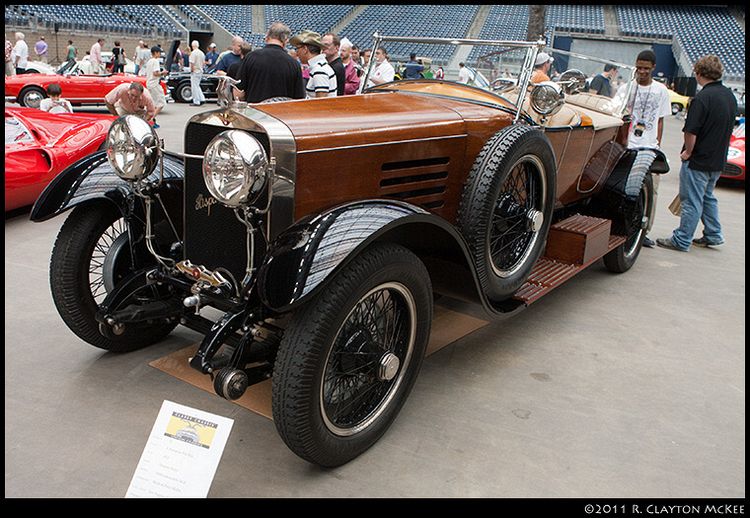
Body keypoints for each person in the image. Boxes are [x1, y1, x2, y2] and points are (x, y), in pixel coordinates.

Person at [656, 55, 737, 252]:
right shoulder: (729, 96)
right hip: (717, 159)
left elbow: (691, 130)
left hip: (698, 159)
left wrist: (688, 152)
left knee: (691, 200)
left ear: (699, 74)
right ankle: (713, 233)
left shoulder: (701, 98)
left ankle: (682, 239)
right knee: (707, 197)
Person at [613, 49, 672, 249]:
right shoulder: (626, 88)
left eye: (646, 68)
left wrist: (657, 144)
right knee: (624, 188)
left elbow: (661, 120)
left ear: (653, 68)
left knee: (649, 191)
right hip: (627, 146)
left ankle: (644, 230)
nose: (642, 72)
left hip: (649, 147)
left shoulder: (661, 90)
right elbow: (615, 113)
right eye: (639, 67)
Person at [234, 22, 304, 103]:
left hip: (255, 113)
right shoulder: (294, 64)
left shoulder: (251, 57)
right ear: (285, 40)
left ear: (267, 37)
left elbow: (238, 93)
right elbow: (299, 99)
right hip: (282, 113)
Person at [291, 30, 336, 99]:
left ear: (305, 49)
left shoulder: (319, 70)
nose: (297, 53)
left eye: (298, 48)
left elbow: (320, 103)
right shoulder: (320, 67)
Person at [144, 46, 167, 128]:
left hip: (149, 83)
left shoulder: (149, 61)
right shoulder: (155, 61)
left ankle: (148, 120)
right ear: (156, 53)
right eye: (159, 52)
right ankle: (151, 120)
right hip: (154, 84)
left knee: (153, 104)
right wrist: (163, 73)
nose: (160, 54)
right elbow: (155, 73)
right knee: (161, 103)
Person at [322, 32, 345, 97]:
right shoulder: (331, 65)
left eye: (327, 45)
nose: (323, 48)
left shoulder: (336, 67)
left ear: (337, 48)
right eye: (322, 45)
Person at [189, 40, 206, 106]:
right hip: (200, 71)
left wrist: (191, 70)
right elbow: (203, 63)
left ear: (192, 46)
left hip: (195, 71)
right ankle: (202, 98)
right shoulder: (202, 53)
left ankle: (196, 101)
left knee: (194, 87)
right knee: (197, 85)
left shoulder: (193, 53)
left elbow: (192, 63)